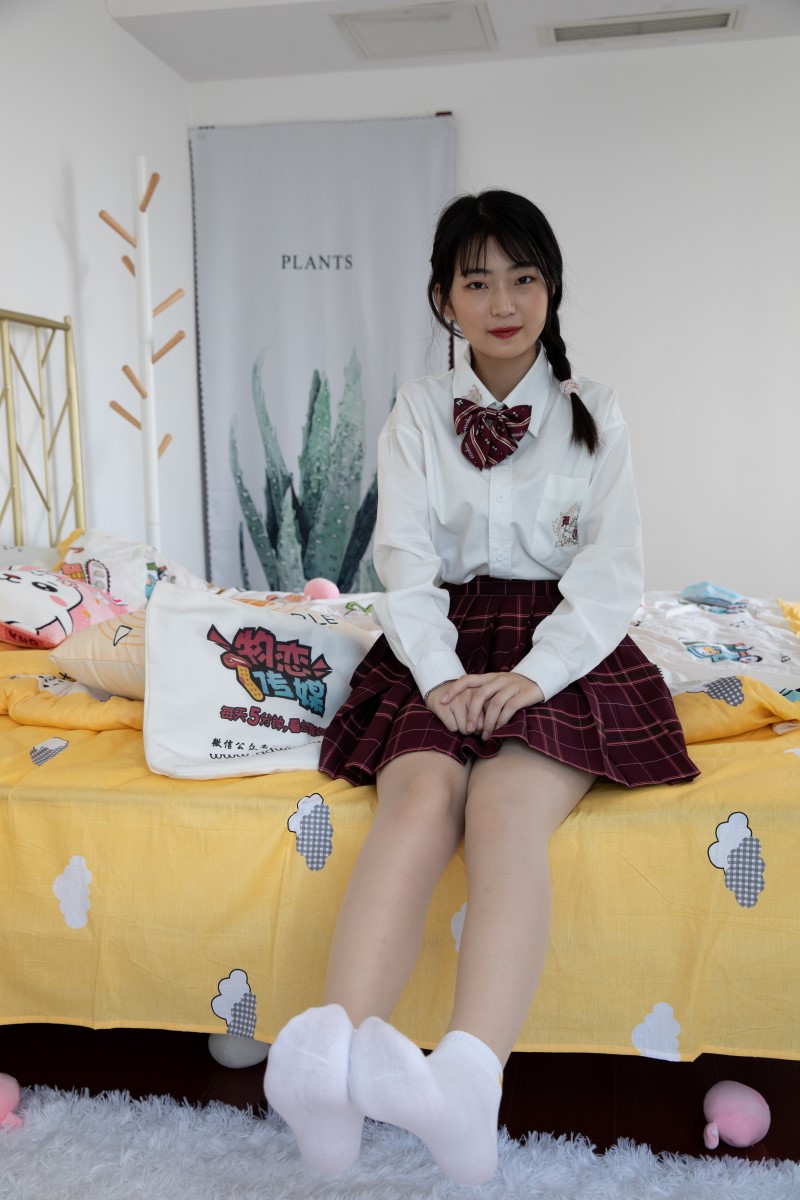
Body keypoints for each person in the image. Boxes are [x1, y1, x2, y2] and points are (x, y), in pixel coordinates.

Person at [263, 189, 698, 1185]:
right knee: (419, 796)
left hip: (563, 643)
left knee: (503, 805)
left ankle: (465, 1077)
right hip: (441, 640)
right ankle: (328, 1062)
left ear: (551, 288)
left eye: (523, 278)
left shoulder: (596, 412)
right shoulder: (417, 411)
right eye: (476, 281)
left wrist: (532, 676)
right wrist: (446, 678)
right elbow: (404, 565)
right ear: (442, 299)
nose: (502, 302)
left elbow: (610, 577)